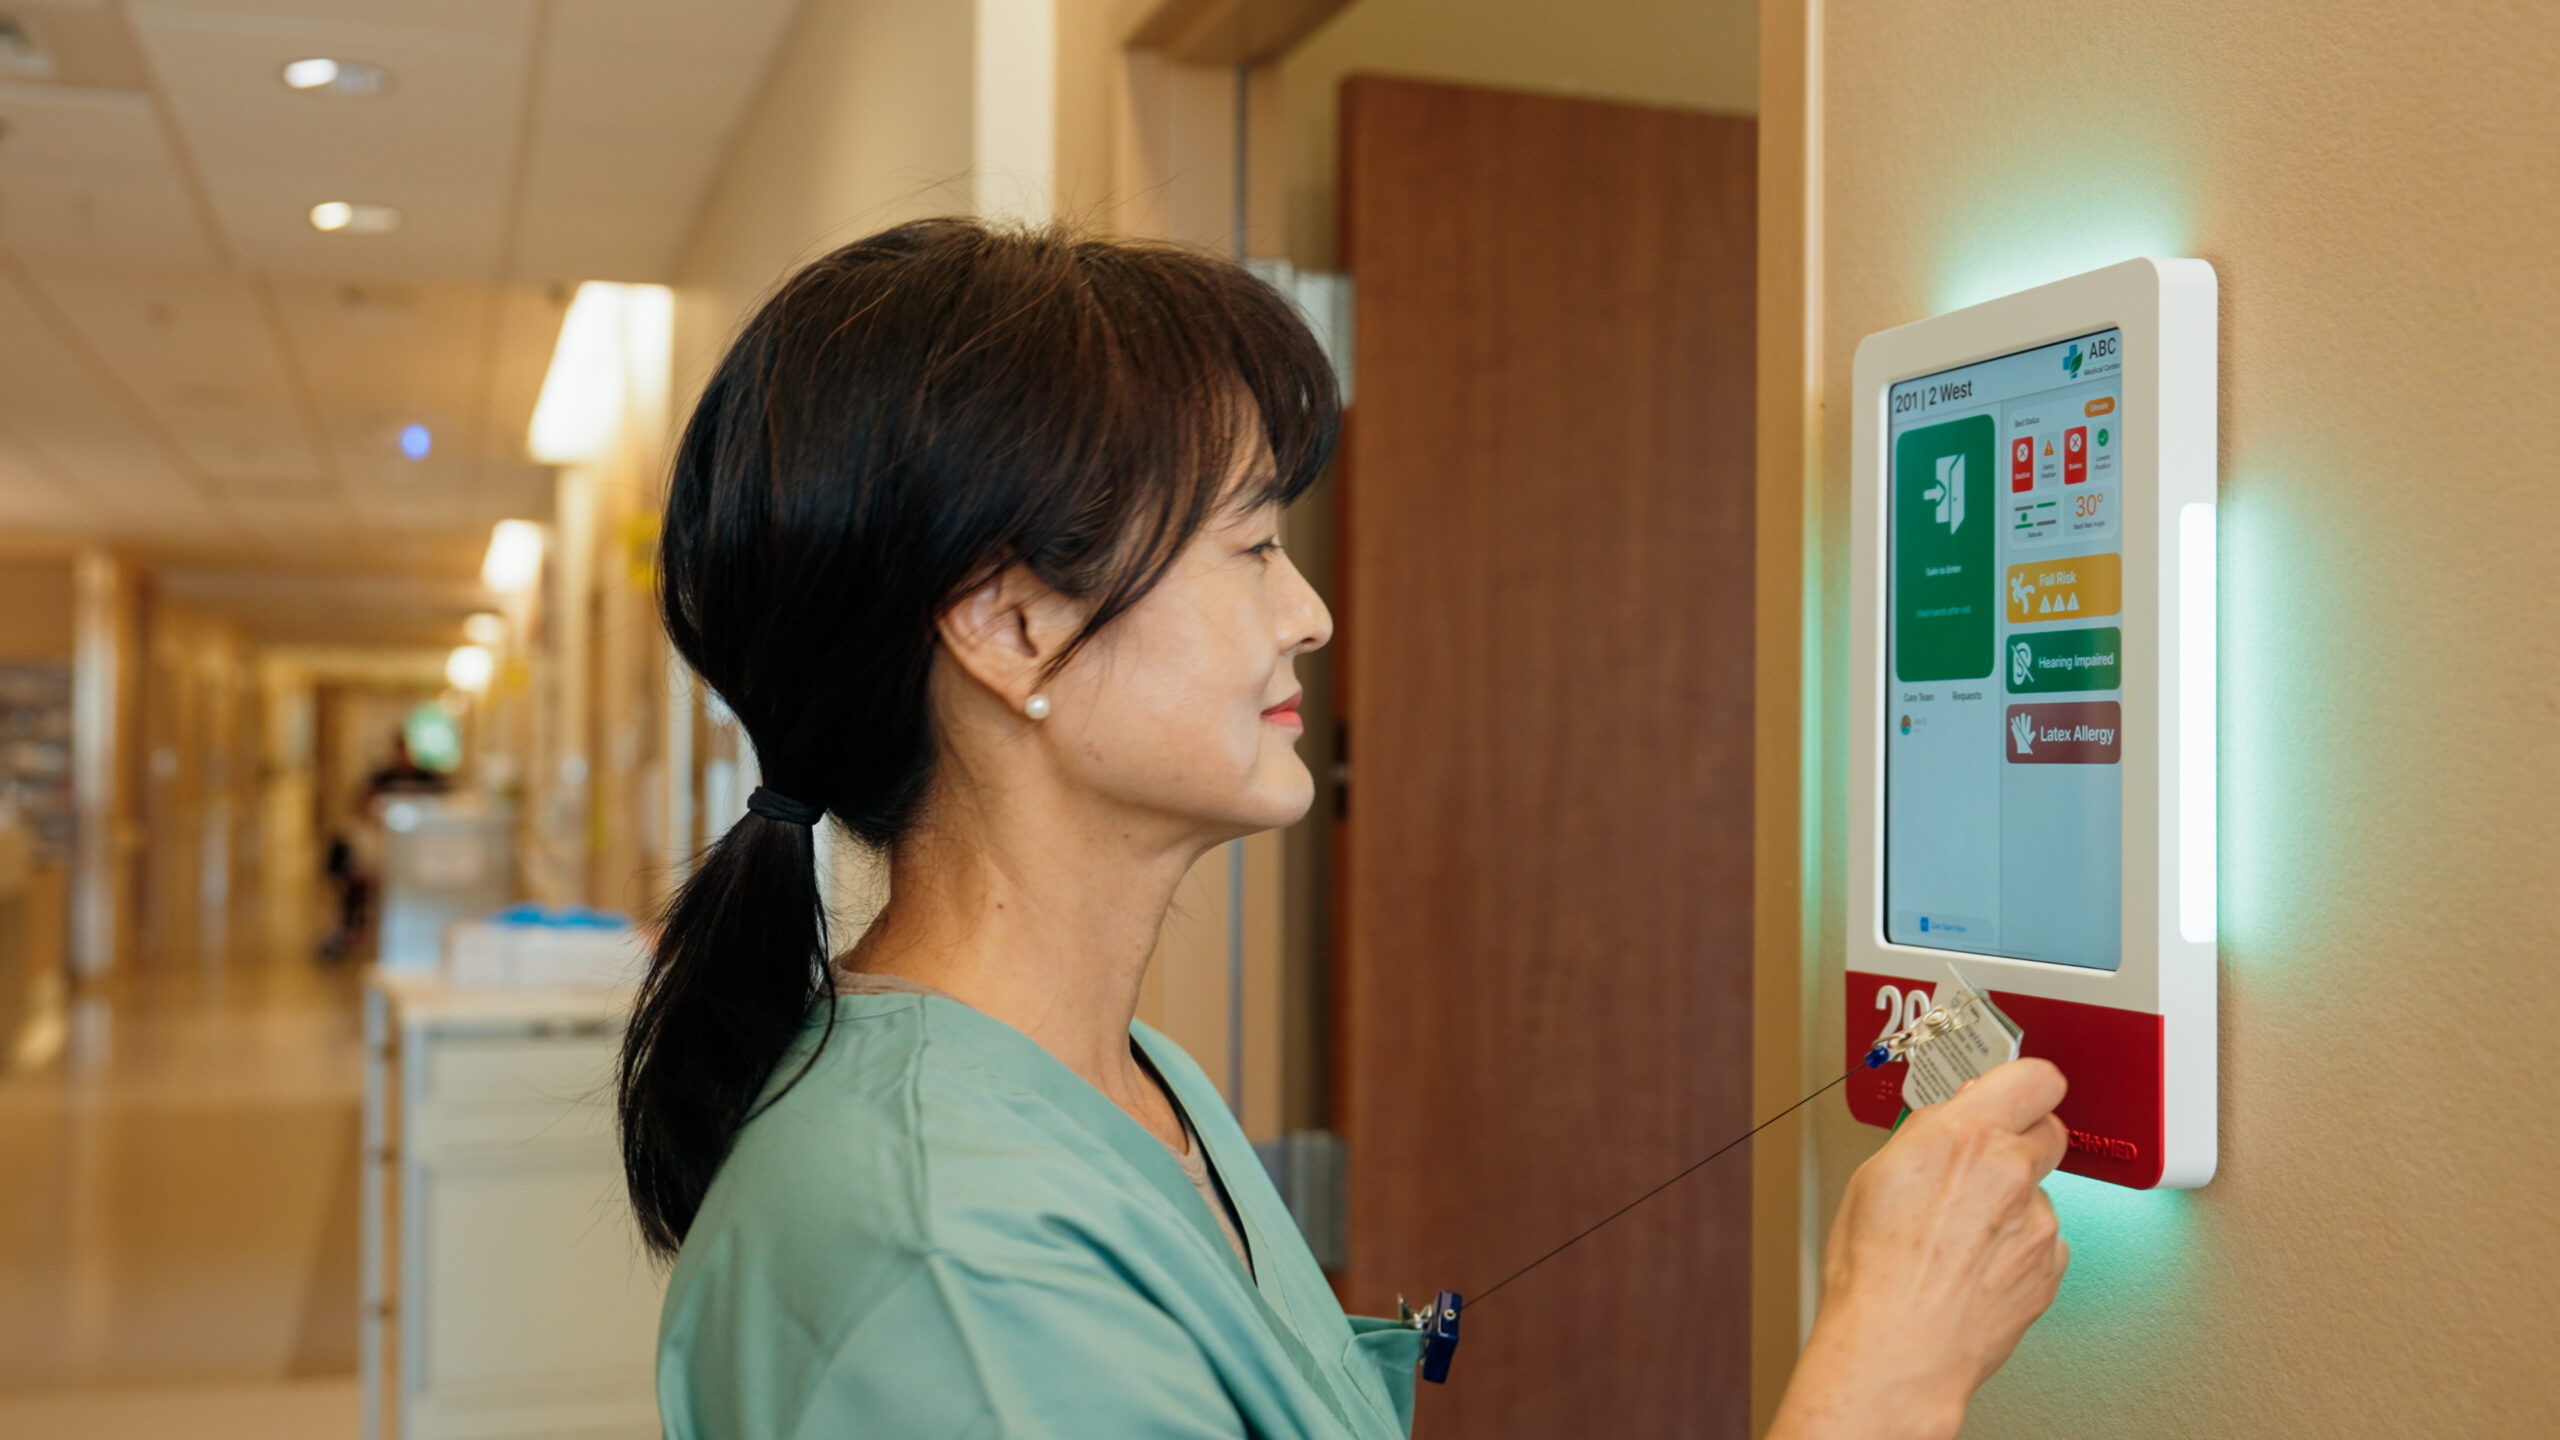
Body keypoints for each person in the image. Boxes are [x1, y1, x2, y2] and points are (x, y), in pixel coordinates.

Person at [620, 219, 2071, 1439]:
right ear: (1009, 625)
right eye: (1252, 547)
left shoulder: (1129, 1088)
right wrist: (1885, 1376)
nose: (1310, 614)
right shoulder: (949, 1260)